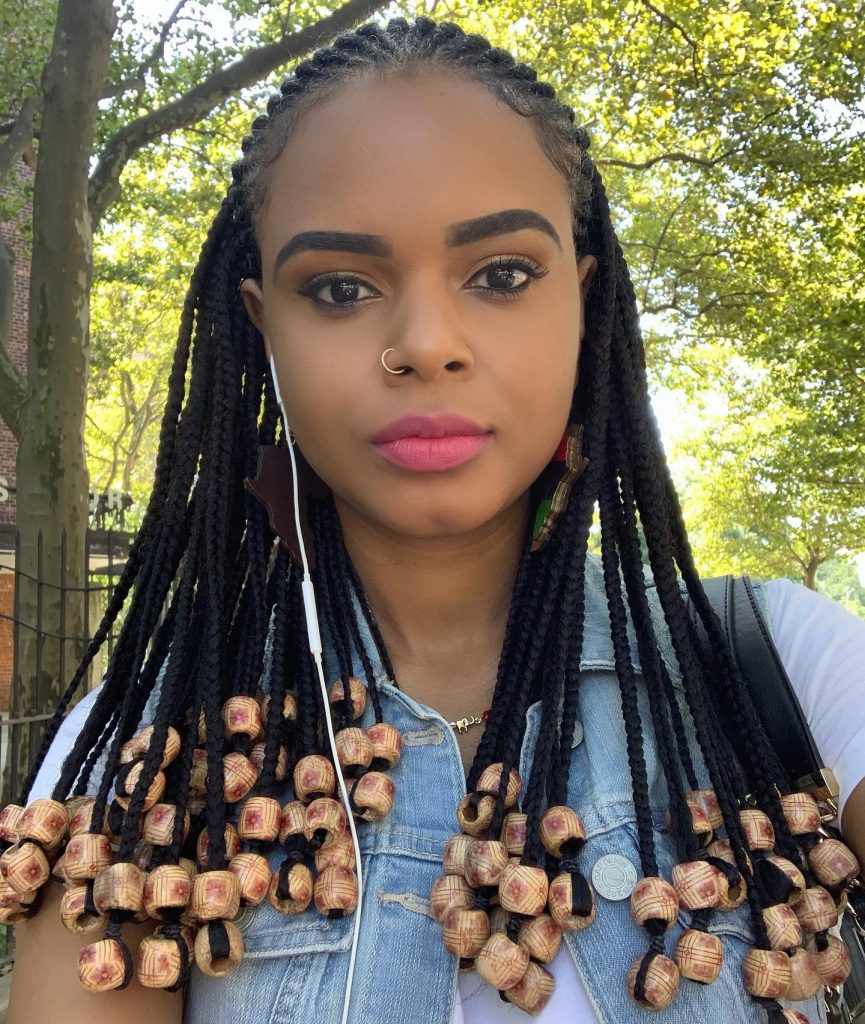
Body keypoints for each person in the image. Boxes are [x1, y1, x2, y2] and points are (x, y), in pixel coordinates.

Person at [4, 15, 865, 1024]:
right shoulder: (142, 755)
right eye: (338, 287)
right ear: (261, 328)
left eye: (500, 274)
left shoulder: (779, 665)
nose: (424, 344)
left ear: (583, 307)